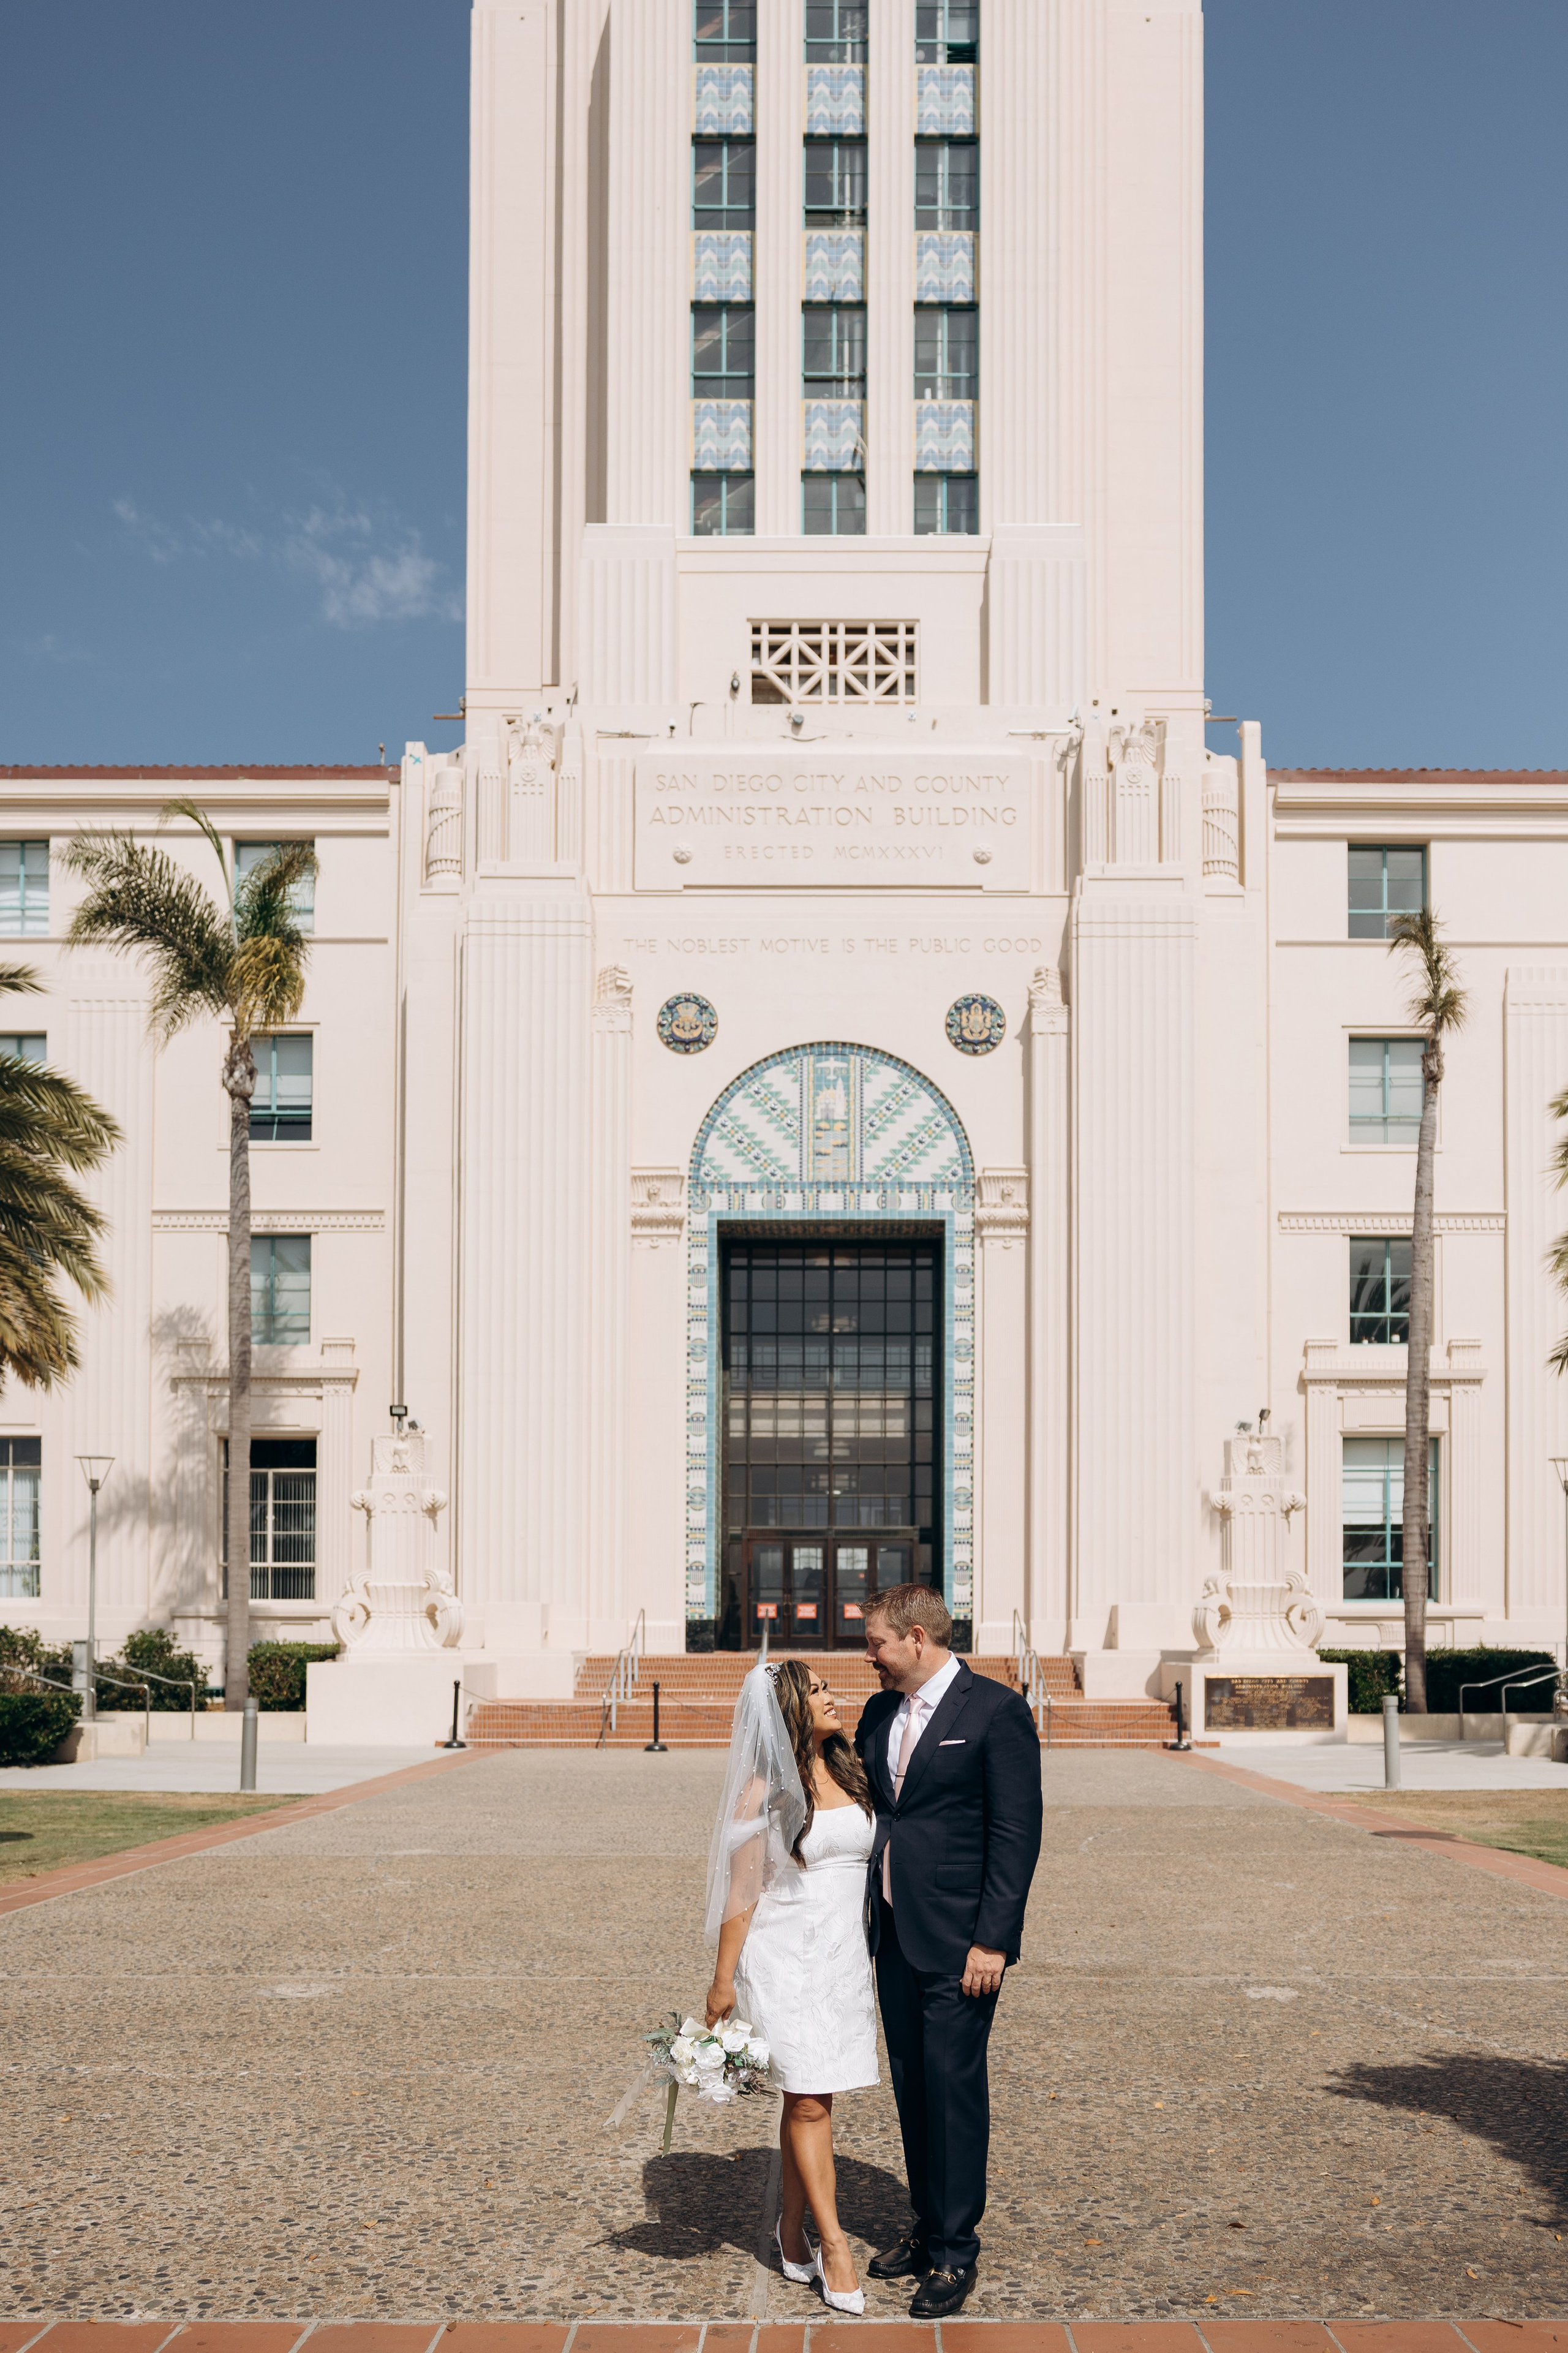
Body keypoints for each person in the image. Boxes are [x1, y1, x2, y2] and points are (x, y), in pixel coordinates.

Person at [855, 1582, 1044, 2318]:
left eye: (875, 1641)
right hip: (895, 1934)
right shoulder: (878, 1711)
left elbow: (1015, 1835)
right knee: (912, 2085)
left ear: (916, 1638)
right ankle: (929, 2228)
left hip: (964, 1942)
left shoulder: (995, 1712)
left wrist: (994, 1940)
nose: (867, 1654)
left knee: (953, 2090)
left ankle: (957, 2251)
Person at [704, 1658, 878, 2314]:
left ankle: (787, 2228)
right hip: (785, 1959)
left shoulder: (851, 1768)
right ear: (786, 1712)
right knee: (808, 2102)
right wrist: (722, 1983)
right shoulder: (761, 1792)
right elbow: (741, 1892)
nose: (833, 1697)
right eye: (817, 1691)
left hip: (841, 1961)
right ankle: (833, 2244)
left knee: (814, 2095)